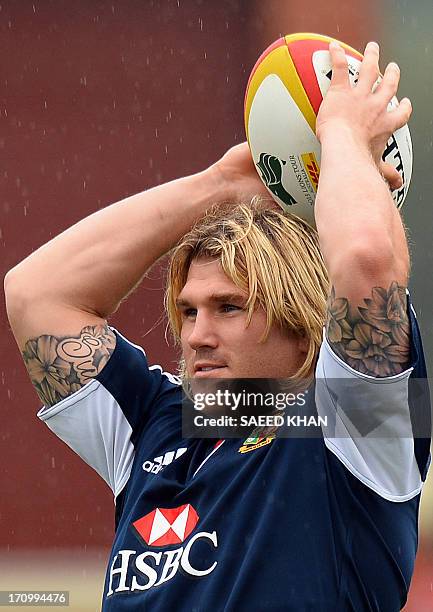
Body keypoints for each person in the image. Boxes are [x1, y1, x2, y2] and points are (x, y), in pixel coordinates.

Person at [4, 41, 430, 611]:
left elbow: (366, 262)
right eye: (187, 311)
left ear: (302, 318)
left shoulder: (355, 428)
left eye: (229, 308)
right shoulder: (158, 424)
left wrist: (343, 137)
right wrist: (219, 186)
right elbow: (35, 293)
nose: (196, 335)